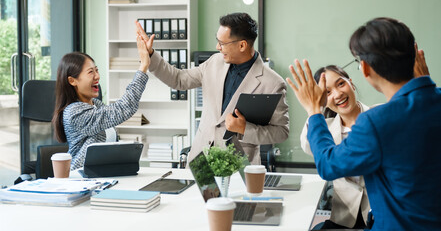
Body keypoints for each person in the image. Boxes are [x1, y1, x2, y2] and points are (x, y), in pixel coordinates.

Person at [286, 17, 441, 230]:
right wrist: (425, 86)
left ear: (365, 70)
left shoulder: (376, 121)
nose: (337, 94)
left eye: (341, 83)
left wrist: (314, 110)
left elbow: (327, 165)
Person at [136, 12, 289, 164]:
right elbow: (179, 80)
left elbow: (281, 132)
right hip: (201, 159)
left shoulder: (273, 83)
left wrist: (244, 128)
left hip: (237, 166)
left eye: (222, 43)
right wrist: (150, 54)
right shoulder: (214, 62)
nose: (217, 47)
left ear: (242, 45)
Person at [52, 24, 151, 170]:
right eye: (90, 72)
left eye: (97, 70)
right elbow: (121, 109)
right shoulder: (73, 113)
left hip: (104, 176)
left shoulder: (97, 105)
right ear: (72, 80)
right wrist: (143, 66)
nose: (97, 76)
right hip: (81, 179)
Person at [300, 65, 371, 229]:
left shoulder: (378, 115)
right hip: (344, 218)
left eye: (341, 84)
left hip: (379, 215)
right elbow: (306, 144)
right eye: (327, 92)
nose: (338, 94)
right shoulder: (324, 129)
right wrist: (315, 107)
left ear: (351, 84)